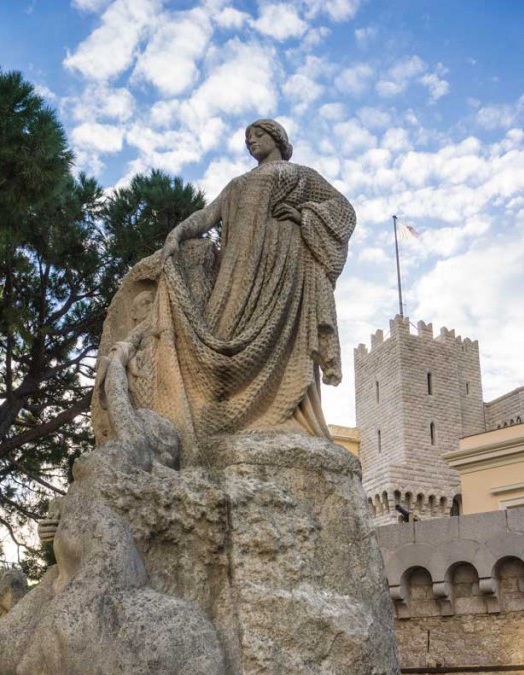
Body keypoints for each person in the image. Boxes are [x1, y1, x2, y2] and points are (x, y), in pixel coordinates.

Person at [94, 118, 356, 460]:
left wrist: (303, 214)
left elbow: (343, 211)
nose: (251, 141)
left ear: (277, 138)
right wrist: (179, 232)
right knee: (223, 332)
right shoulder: (236, 184)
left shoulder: (299, 175)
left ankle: (285, 413)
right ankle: (225, 415)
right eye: (247, 138)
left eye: (258, 134)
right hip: (238, 274)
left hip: (284, 267)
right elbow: (208, 215)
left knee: (286, 342)